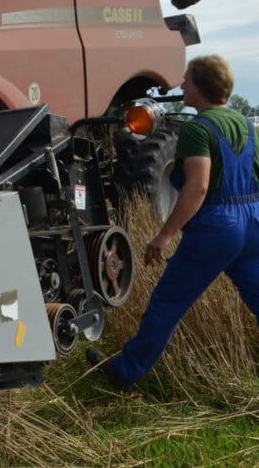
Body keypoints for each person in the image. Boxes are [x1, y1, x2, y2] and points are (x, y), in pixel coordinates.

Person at [87, 54, 259, 390]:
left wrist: (164, 236)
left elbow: (198, 187)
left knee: (169, 301)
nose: (181, 85)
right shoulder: (246, 125)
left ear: (200, 86)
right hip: (253, 221)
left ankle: (125, 372)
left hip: (218, 227)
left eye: (186, 80)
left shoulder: (198, 129)